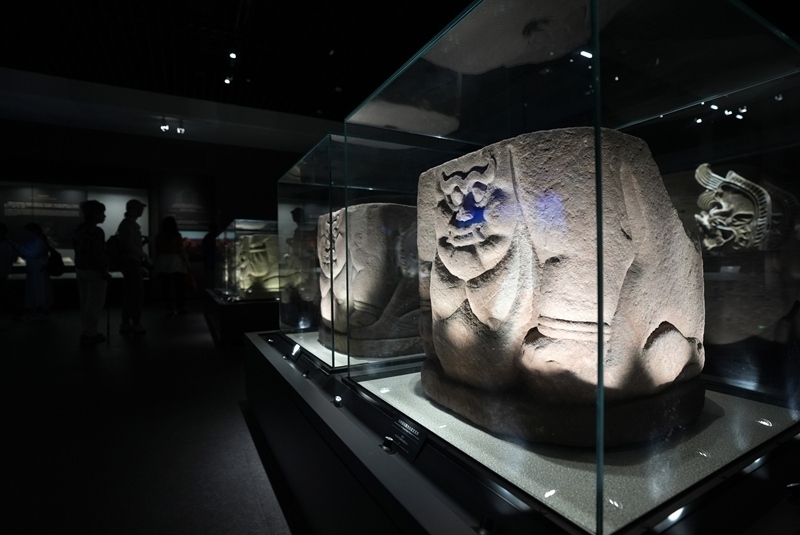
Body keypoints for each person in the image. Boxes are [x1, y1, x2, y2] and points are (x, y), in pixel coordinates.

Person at [73, 200, 111, 347]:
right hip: (95, 271)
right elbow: (97, 254)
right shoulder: (96, 231)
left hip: (81, 268)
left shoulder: (79, 229)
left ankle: (86, 331)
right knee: (94, 304)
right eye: (102, 213)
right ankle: (90, 333)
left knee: (85, 303)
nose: (104, 216)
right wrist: (104, 271)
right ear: (95, 214)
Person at [117, 199, 150, 335]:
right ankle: (135, 322)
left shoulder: (129, 224)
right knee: (136, 293)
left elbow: (130, 245)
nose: (141, 210)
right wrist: (146, 256)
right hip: (131, 263)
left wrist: (142, 245)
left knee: (131, 293)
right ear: (131, 209)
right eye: (138, 208)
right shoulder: (128, 225)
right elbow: (129, 245)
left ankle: (126, 322)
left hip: (131, 262)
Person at [17, 222, 53, 320]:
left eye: (27, 232)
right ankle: (39, 311)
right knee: (38, 292)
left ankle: (41, 311)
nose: (26, 234)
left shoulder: (39, 242)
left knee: (39, 292)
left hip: (38, 271)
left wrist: (20, 249)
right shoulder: (36, 241)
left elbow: (33, 254)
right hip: (35, 270)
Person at [154, 216, 189, 314]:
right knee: (179, 287)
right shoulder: (177, 235)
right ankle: (180, 307)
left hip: (162, 262)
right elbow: (181, 250)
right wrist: (187, 262)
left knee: (166, 288)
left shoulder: (159, 236)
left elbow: (157, 250)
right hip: (176, 261)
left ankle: (168, 308)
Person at [0, 222, 20, 325]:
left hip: (2, 272)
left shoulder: (7, 244)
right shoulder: (9, 244)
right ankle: (16, 312)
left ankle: (16, 312)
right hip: (3, 271)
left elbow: (13, 257)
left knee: (4, 293)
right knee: (3, 293)